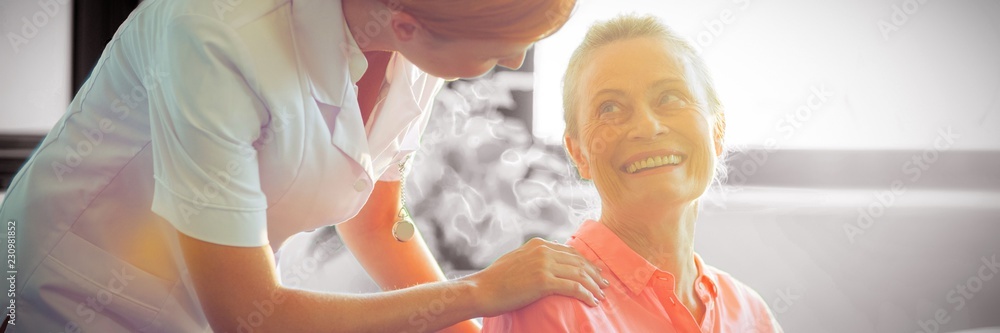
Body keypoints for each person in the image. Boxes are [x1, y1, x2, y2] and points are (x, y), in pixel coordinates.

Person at [0, 0, 614, 331]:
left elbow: (380, 221)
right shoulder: (215, 34)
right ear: (407, 23)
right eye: (496, 56)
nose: (511, 67)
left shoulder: (414, 48)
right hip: (61, 292)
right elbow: (247, 315)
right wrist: (475, 293)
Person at [482, 14, 783, 332]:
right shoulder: (544, 306)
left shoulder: (751, 313)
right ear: (578, 153)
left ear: (718, 130)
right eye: (609, 108)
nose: (647, 127)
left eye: (671, 98)